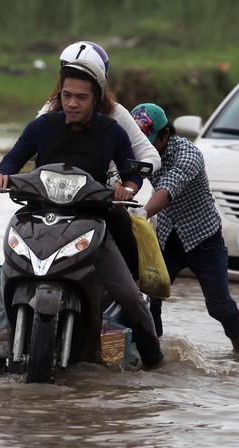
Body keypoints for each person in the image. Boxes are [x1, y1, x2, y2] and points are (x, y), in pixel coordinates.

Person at [0, 60, 163, 369]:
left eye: (81, 97)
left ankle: (155, 365)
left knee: (131, 298)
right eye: (67, 95)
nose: (72, 103)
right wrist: (2, 177)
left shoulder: (111, 131)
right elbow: (12, 160)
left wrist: (128, 189)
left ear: (96, 98)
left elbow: (131, 168)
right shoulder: (41, 127)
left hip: (93, 221)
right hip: (38, 220)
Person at [37, 41, 161, 281]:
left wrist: (124, 186)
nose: (73, 103)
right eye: (70, 78)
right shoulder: (48, 112)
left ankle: (131, 286)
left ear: (97, 86)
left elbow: (149, 157)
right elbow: (25, 151)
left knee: (124, 226)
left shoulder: (115, 116)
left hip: (100, 198)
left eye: (83, 89)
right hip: (54, 197)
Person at [131, 103, 239, 353]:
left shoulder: (188, 155)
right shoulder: (140, 154)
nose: (144, 149)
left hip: (203, 239)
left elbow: (167, 190)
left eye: (148, 142)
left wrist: (138, 217)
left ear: (165, 135)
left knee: (219, 306)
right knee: (150, 300)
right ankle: (153, 354)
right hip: (167, 239)